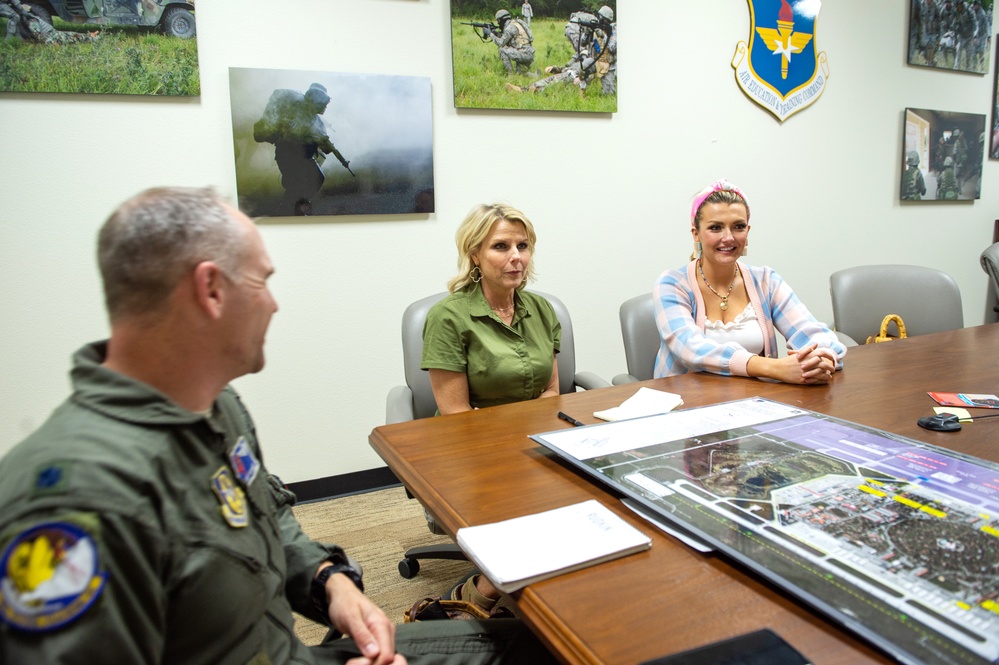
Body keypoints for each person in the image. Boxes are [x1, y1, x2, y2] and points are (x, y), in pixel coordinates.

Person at [0, 187, 558, 665]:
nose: (273, 306)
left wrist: (326, 581)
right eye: (261, 282)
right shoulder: (72, 498)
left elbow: (268, 519)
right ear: (210, 290)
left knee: (548, 644)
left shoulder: (217, 408)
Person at [421, 203, 561, 615]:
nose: (516, 256)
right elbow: (456, 414)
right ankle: (477, 596)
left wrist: (530, 439)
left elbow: (552, 390)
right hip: (470, 449)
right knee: (533, 518)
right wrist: (518, 442)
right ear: (475, 254)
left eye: (523, 245)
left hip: (534, 440)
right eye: (501, 246)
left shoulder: (541, 309)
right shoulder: (448, 317)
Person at [653, 179, 845, 384]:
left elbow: (813, 332)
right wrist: (773, 368)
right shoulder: (672, 284)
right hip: (685, 405)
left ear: (748, 231)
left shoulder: (766, 281)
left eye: (738, 227)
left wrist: (822, 360)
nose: (728, 237)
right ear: (696, 234)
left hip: (755, 404)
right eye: (716, 228)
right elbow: (690, 349)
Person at [253, 82, 353, 216]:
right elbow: (289, 132)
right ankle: (288, 211)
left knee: (316, 179)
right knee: (297, 185)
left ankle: (295, 208)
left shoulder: (317, 121)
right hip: (288, 154)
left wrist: (334, 152)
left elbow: (327, 146)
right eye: (323, 103)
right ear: (315, 101)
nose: (325, 106)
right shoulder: (295, 111)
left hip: (304, 158)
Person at [1, 0, 98, 43]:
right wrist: (52, 42)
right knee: (68, 38)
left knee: (70, 35)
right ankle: (90, 37)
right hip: (51, 35)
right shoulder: (31, 22)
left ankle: (90, 36)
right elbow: (41, 37)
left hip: (52, 32)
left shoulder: (32, 18)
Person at [487, 9, 534, 74]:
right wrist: (497, 34)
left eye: (498, 21)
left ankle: (510, 74)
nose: (498, 23)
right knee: (521, 74)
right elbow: (508, 39)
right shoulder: (515, 23)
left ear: (501, 20)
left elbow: (501, 43)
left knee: (502, 50)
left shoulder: (509, 28)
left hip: (523, 53)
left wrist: (490, 34)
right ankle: (535, 75)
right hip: (528, 53)